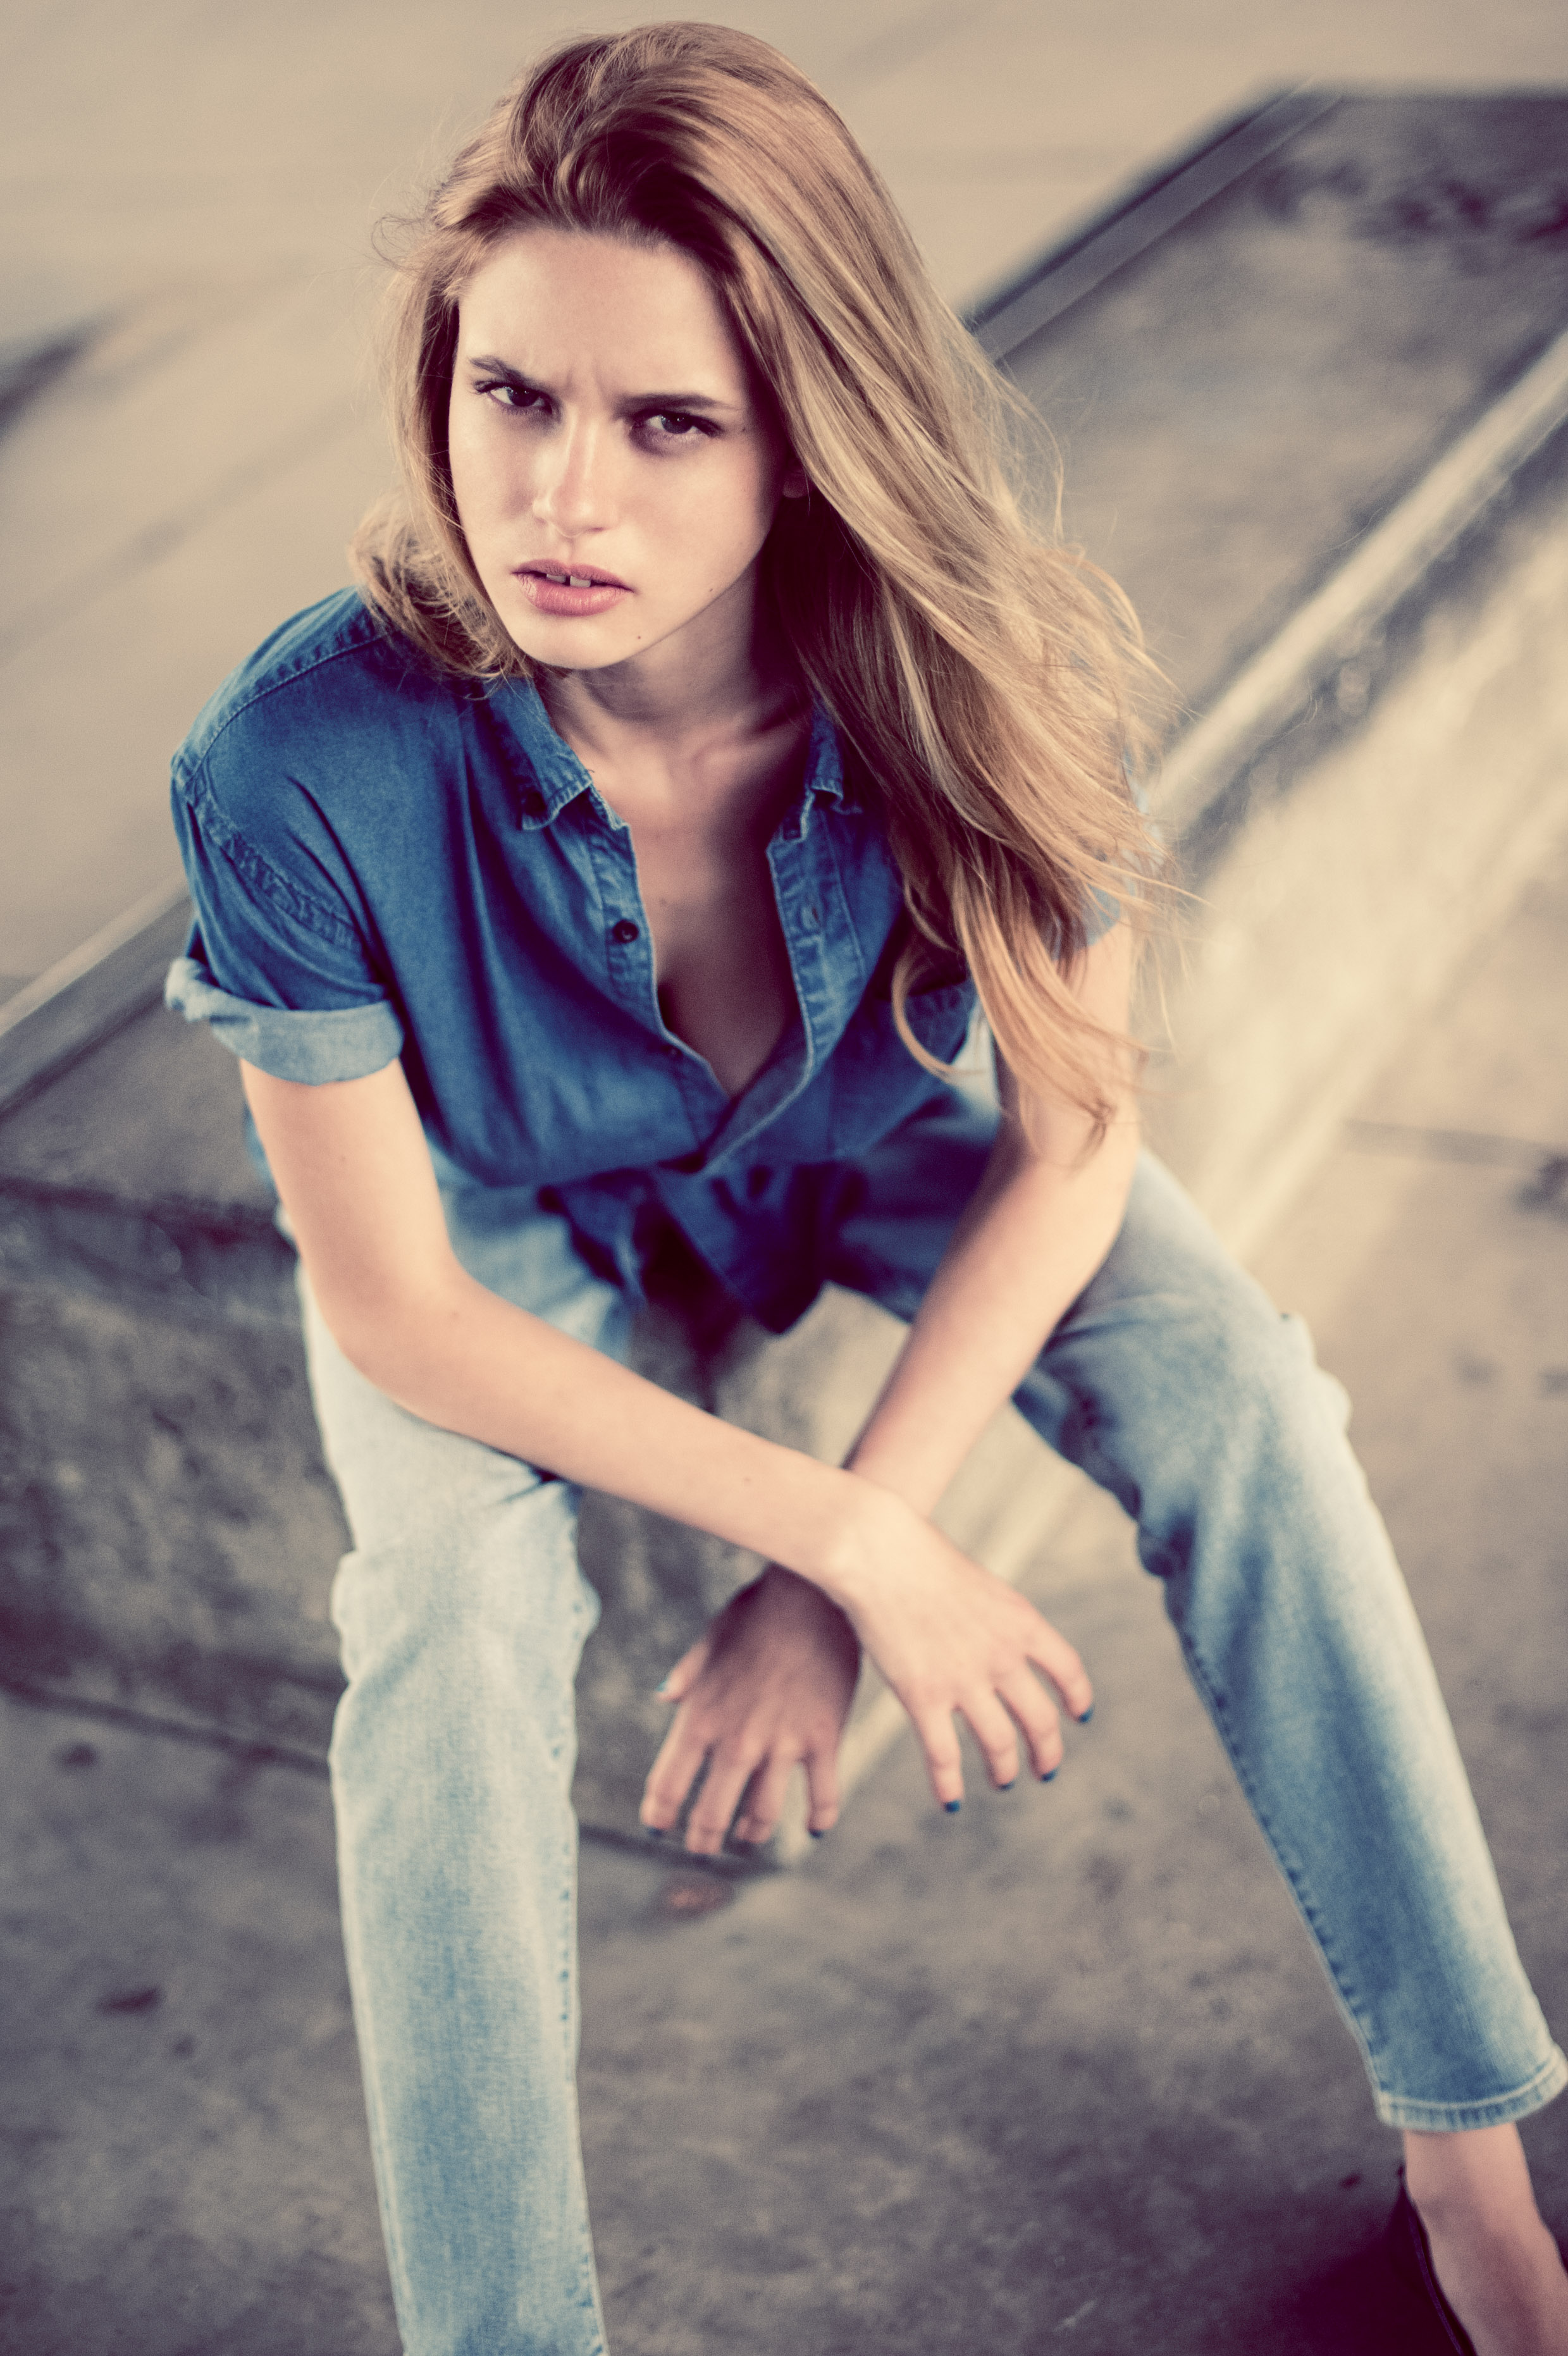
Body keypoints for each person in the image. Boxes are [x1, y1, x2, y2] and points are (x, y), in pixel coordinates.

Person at [164, 24, 1567, 2355]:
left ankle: (1473, 2167)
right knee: (447, 1614)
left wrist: (841, 1563)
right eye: (511, 394)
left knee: (1242, 1388)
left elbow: (1077, 1141)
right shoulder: (294, 759)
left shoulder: (987, 680)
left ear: (805, 433)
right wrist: (848, 1538)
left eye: (667, 422)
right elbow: (396, 1314)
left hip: (874, 1128)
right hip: (494, 1211)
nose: (559, 495)